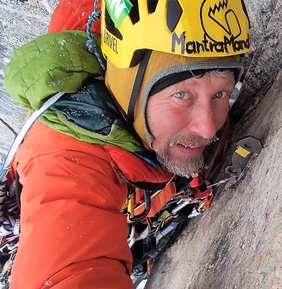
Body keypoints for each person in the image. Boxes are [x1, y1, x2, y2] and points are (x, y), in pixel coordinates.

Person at [1, 0, 250, 288]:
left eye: (221, 94)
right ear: (128, 88)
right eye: (182, 95)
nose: (208, 128)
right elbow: (68, 271)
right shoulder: (66, 164)